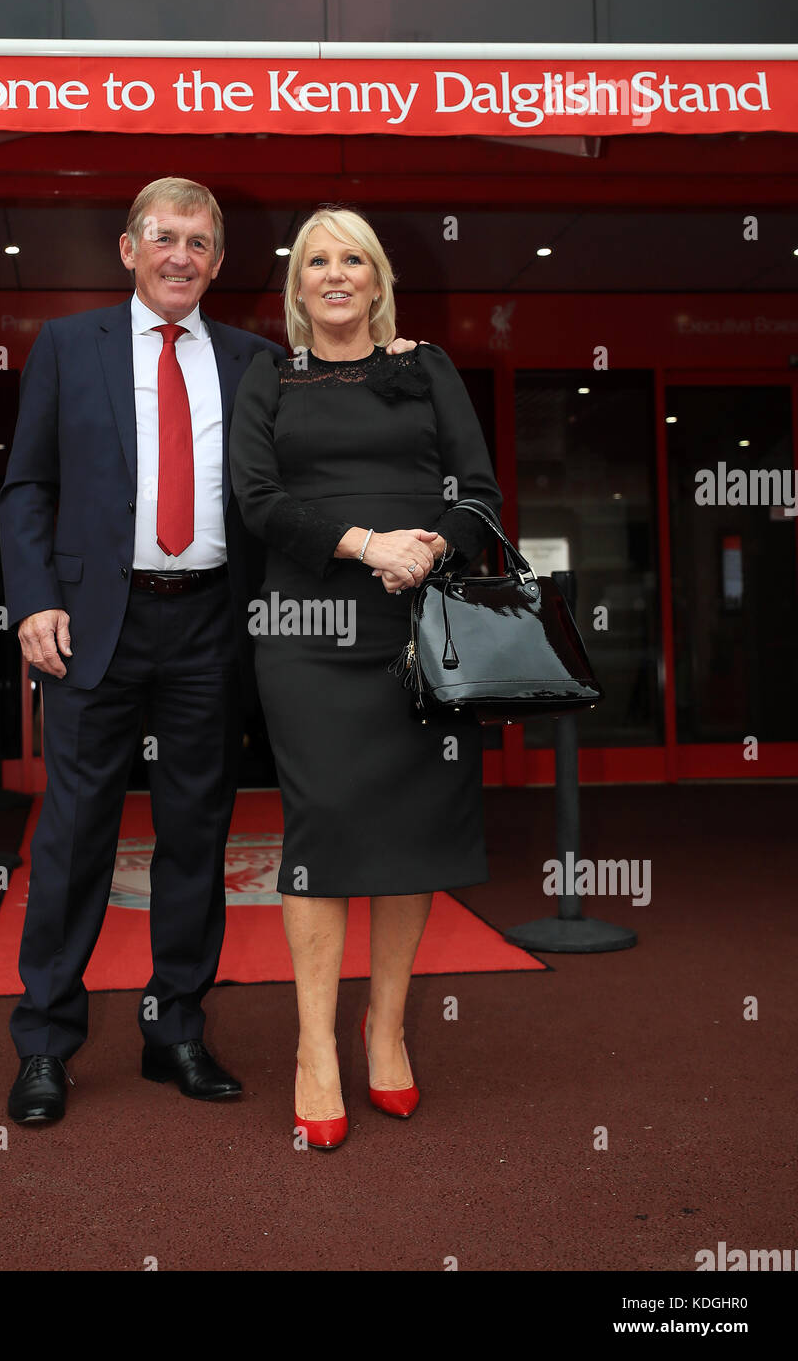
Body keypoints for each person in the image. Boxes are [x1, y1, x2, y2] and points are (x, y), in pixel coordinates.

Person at [0, 179, 418, 1124]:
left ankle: (174, 1029)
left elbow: (328, 436)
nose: (181, 255)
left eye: (200, 242)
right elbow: (26, 487)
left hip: (210, 627)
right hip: (90, 628)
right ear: (129, 249)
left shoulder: (258, 361)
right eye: (165, 238)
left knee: (197, 835)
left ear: (221, 262)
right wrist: (32, 601)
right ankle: (46, 1044)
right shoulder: (69, 347)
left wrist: (394, 367)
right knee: (73, 840)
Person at [230, 206, 503, 1149]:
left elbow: (479, 493)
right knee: (325, 819)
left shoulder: (426, 369)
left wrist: (427, 544)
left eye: (354, 260)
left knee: (409, 820)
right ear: (297, 286)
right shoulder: (270, 376)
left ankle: (385, 1029)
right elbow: (256, 499)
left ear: (379, 281)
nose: (336, 275)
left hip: (417, 621)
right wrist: (363, 542)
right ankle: (314, 1047)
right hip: (306, 628)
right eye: (317, 262)